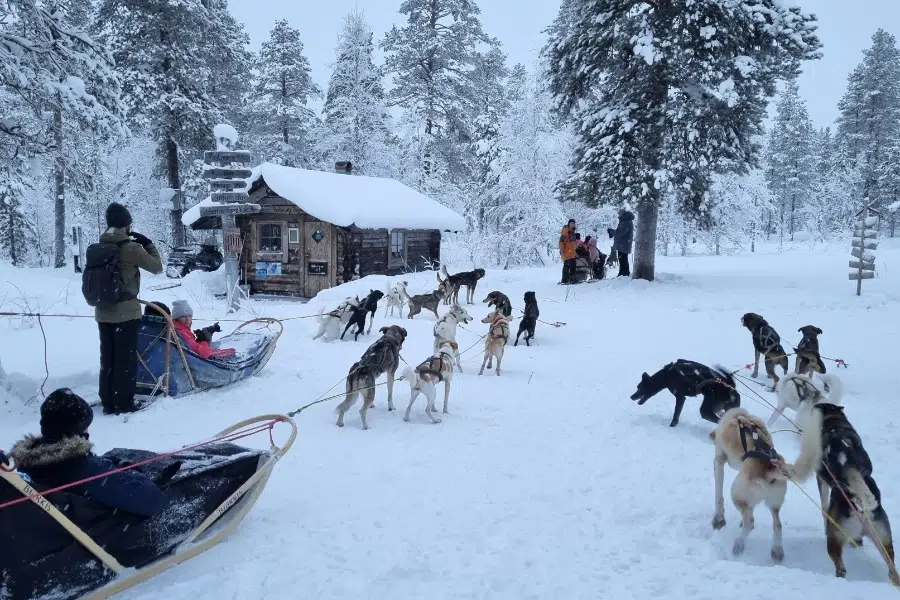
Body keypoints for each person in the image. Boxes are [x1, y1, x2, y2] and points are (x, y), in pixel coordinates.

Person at [9, 388, 164, 517]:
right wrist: (128, 470)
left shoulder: (29, 463)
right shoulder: (82, 468)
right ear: (76, 431)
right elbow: (151, 499)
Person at [95, 203, 163, 415]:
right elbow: (157, 266)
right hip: (126, 313)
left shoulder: (100, 247)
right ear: (126, 225)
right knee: (125, 359)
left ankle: (107, 401)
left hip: (103, 311)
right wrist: (148, 244)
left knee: (108, 358)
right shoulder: (130, 248)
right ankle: (123, 403)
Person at [170, 300, 236, 360]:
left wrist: (199, 341)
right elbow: (203, 353)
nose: (187, 319)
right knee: (232, 351)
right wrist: (203, 341)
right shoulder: (182, 332)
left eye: (189, 315)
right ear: (176, 318)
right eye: (183, 316)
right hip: (199, 361)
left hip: (194, 356)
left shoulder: (178, 329)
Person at [607, 209, 635, 277]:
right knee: (622, 259)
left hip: (623, 244)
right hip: (624, 244)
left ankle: (624, 274)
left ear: (622, 215)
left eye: (619, 214)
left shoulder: (625, 221)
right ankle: (623, 273)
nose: (618, 216)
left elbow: (620, 232)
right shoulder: (627, 221)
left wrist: (612, 231)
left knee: (623, 259)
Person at [558, 219, 577, 284]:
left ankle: (570, 279)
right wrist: (561, 249)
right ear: (569, 223)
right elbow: (561, 241)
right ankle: (565, 280)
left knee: (572, 265)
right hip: (567, 251)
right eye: (571, 223)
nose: (572, 224)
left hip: (571, 252)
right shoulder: (566, 230)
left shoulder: (572, 230)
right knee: (567, 265)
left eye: (573, 223)